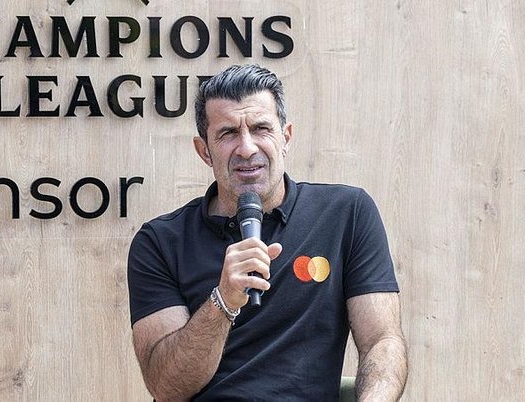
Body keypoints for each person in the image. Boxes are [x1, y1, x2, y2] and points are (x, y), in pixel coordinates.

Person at [127, 64, 407, 401]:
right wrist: (223, 301)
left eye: (261, 128)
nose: (247, 148)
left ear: (285, 137)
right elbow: (167, 387)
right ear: (204, 151)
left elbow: (382, 341)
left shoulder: (346, 213)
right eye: (228, 133)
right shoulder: (160, 242)